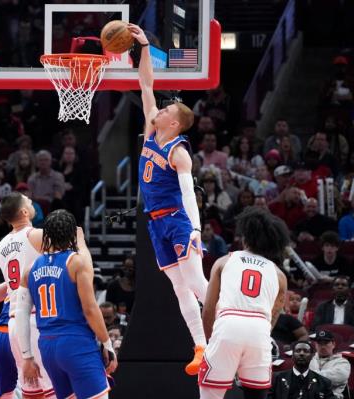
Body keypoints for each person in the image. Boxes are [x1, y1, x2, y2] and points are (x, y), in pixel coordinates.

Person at [129, 23, 209, 375]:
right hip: (155, 221)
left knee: (195, 282)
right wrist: (144, 46)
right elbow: (146, 83)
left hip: (177, 219)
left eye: (166, 111)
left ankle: (240, 318)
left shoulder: (179, 152)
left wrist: (195, 230)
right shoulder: (151, 129)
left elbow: (190, 192)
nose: (159, 110)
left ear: (175, 124)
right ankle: (201, 346)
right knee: (179, 288)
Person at [15, 210, 116, 399]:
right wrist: (107, 343)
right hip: (76, 342)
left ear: (46, 235)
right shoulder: (76, 262)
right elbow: (90, 309)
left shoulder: (30, 269)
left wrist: (27, 355)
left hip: (47, 347)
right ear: (72, 234)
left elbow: (20, 315)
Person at [199, 207, 289, 399]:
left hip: (228, 325)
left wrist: (210, 342)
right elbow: (272, 319)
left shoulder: (224, 262)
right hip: (259, 331)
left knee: (210, 395)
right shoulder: (279, 275)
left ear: (245, 237)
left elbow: (208, 310)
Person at [0, 192, 55, 399]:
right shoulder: (36, 234)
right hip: (36, 317)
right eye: (29, 201)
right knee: (52, 388)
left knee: (31, 390)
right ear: (25, 211)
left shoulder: (1, 245)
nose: (32, 201)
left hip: (14, 321)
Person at [270, 340, 335, 399]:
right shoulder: (276, 379)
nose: (301, 354)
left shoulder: (323, 382)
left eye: (306, 351)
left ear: (312, 356)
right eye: (298, 351)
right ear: (292, 356)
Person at [309, 330, 351, 399]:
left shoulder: (342, 362)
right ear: (315, 345)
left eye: (326, 343)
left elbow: (338, 377)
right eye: (320, 343)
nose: (322, 346)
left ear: (333, 344)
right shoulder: (309, 360)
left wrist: (311, 376)